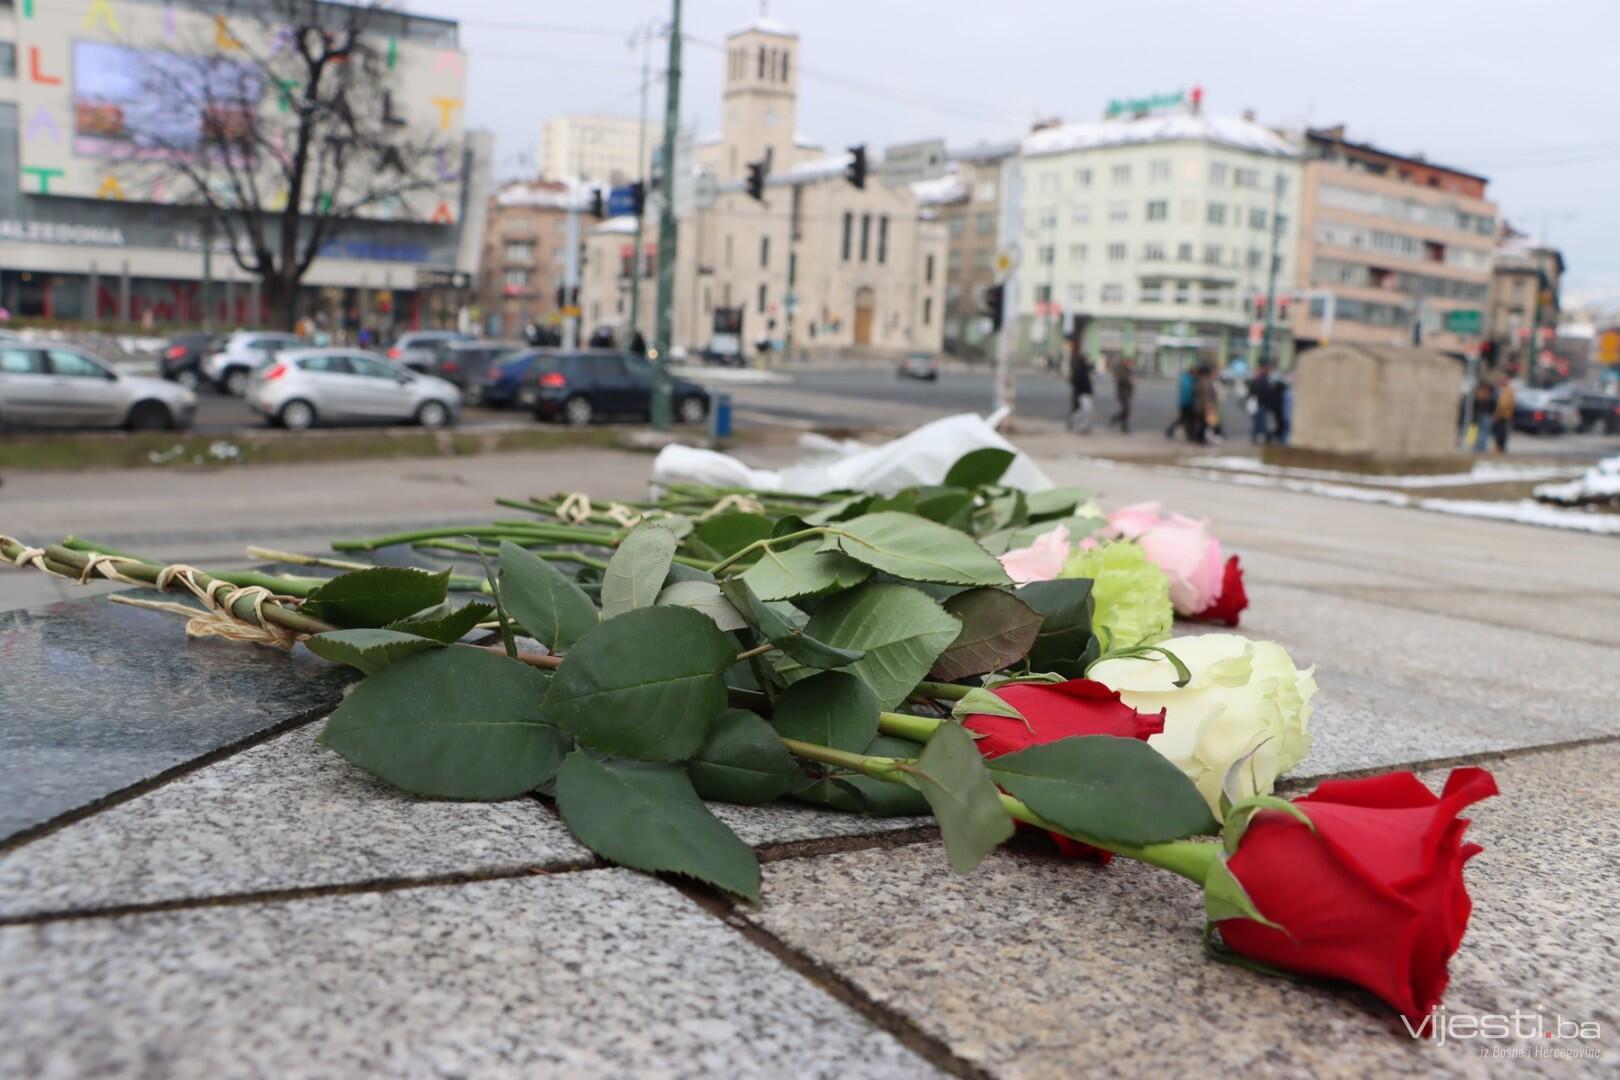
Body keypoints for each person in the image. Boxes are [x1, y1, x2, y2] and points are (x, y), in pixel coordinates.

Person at [1066, 346, 1095, 433]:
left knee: (1082, 411)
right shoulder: (1080, 369)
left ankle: (1075, 423)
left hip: (1083, 393)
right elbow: (1077, 381)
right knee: (1086, 411)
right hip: (1083, 393)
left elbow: (1090, 368)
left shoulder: (1081, 368)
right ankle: (1081, 426)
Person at [1246, 363, 1273, 444]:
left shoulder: (1259, 380)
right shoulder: (1262, 380)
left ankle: (1256, 437)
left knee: (1259, 422)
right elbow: (1265, 393)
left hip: (1259, 403)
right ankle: (1264, 437)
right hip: (1260, 404)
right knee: (1261, 422)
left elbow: (1252, 392)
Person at [1166, 366, 1196, 439]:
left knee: (1186, 419)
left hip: (1184, 403)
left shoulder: (1186, 378)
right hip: (1187, 403)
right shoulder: (1188, 380)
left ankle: (1188, 433)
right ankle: (1170, 430)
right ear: (1191, 372)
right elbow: (1188, 392)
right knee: (1184, 419)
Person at [1192, 364, 1219, 444]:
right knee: (1203, 423)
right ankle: (1201, 439)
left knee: (1200, 422)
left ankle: (1199, 438)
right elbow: (1208, 394)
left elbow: (1195, 392)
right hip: (1205, 406)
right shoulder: (1206, 381)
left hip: (1199, 405)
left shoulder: (1199, 380)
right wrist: (1210, 405)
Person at [1468, 378, 1497, 452]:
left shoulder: (1479, 395)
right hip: (1485, 416)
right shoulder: (1487, 395)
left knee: (1480, 432)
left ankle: (1476, 447)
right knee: (1482, 433)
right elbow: (1493, 406)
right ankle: (1479, 448)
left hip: (1481, 416)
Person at [1491, 373, 1516, 453]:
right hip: (1502, 415)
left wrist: (1497, 414)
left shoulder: (1508, 391)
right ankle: (1498, 447)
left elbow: (1504, 405)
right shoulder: (1501, 390)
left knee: (1502, 433)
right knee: (1499, 432)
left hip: (1503, 416)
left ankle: (1500, 448)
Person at [1109, 356, 1135, 432]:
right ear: (1125, 362)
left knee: (1126, 410)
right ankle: (1116, 420)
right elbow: (1120, 379)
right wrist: (1129, 381)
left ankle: (1122, 425)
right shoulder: (1121, 369)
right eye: (1129, 362)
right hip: (1122, 393)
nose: (1131, 364)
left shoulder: (1128, 369)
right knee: (1125, 409)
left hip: (1127, 392)